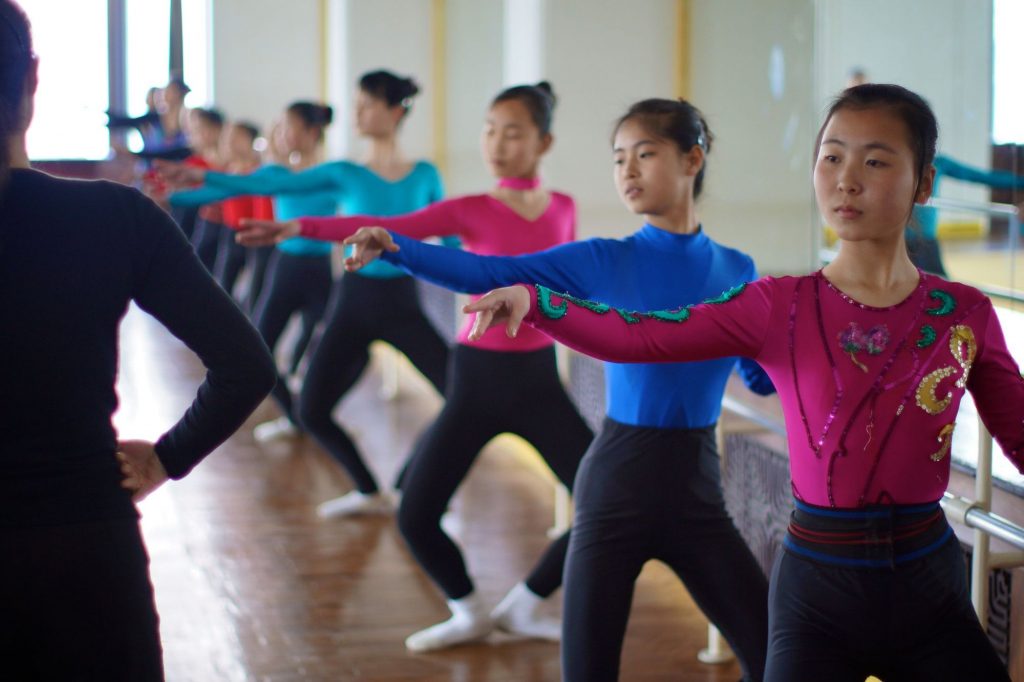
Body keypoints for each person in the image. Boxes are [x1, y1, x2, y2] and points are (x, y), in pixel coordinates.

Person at [465, 84, 1023, 682]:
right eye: (831, 157)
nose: (846, 179)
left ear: (924, 183)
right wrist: (537, 301)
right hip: (817, 595)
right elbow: (640, 336)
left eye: (876, 160)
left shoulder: (962, 312)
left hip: (931, 590)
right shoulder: (776, 304)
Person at [334, 98, 774, 681]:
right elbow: (490, 274)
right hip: (616, 491)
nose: (629, 172)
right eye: (619, 160)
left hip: (698, 493)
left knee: (774, 657)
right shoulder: (604, 259)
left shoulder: (737, 270)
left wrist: (778, 363)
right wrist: (398, 246)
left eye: (646, 154)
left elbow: (757, 368)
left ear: (693, 159)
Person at [238, 82, 595, 652]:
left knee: (602, 504)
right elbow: (387, 227)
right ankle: (468, 609)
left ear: (544, 141)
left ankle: (527, 603)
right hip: (476, 383)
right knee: (415, 513)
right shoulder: (470, 209)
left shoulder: (565, 209)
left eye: (513, 132)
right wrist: (302, 227)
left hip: (539, 383)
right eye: (489, 129)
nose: (497, 143)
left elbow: (572, 288)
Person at [0, 2, 276, 679]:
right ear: (33, 79)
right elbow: (246, 366)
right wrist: (166, 457)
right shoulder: (115, 218)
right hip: (83, 549)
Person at [177, 70, 453, 507]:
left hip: (404, 304)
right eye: (358, 102)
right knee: (310, 410)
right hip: (354, 301)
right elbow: (272, 182)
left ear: (396, 111)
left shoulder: (424, 175)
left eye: (368, 104)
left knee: (460, 397)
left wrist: (480, 285)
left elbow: (451, 240)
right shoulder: (344, 173)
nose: (358, 112)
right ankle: (367, 487)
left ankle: (405, 482)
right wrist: (203, 182)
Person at [162, 101, 339, 439]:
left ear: (311, 132)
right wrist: (177, 196)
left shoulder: (330, 176)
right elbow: (231, 185)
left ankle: (312, 404)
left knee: (335, 348)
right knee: (259, 353)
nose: (282, 133)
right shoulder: (275, 174)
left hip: (320, 270)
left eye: (288, 126)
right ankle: (295, 417)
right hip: (285, 268)